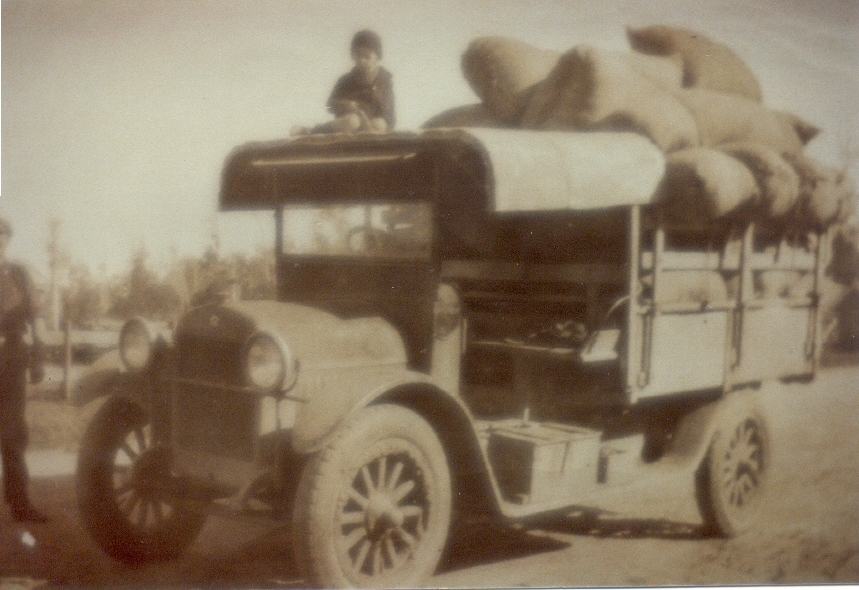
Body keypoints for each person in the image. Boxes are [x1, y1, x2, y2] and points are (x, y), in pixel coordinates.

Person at [0, 216, 48, 522]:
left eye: (1, 234)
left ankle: (20, 504)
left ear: (7, 239)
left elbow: (36, 316)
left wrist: (40, 353)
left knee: (13, 433)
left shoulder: (18, 274)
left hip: (11, 358)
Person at [293, 30, 395, 135]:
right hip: (349, 125)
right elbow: (330, 105)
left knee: (380, 124)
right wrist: (346, 105)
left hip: (372, 126)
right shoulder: (345, 80)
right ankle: (312, 131)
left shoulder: (384, 81)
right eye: (358, 56)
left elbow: (390, 116)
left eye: (367, 57)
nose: (362, 60)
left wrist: (379, 121)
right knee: (352, 121)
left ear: (377, 58)